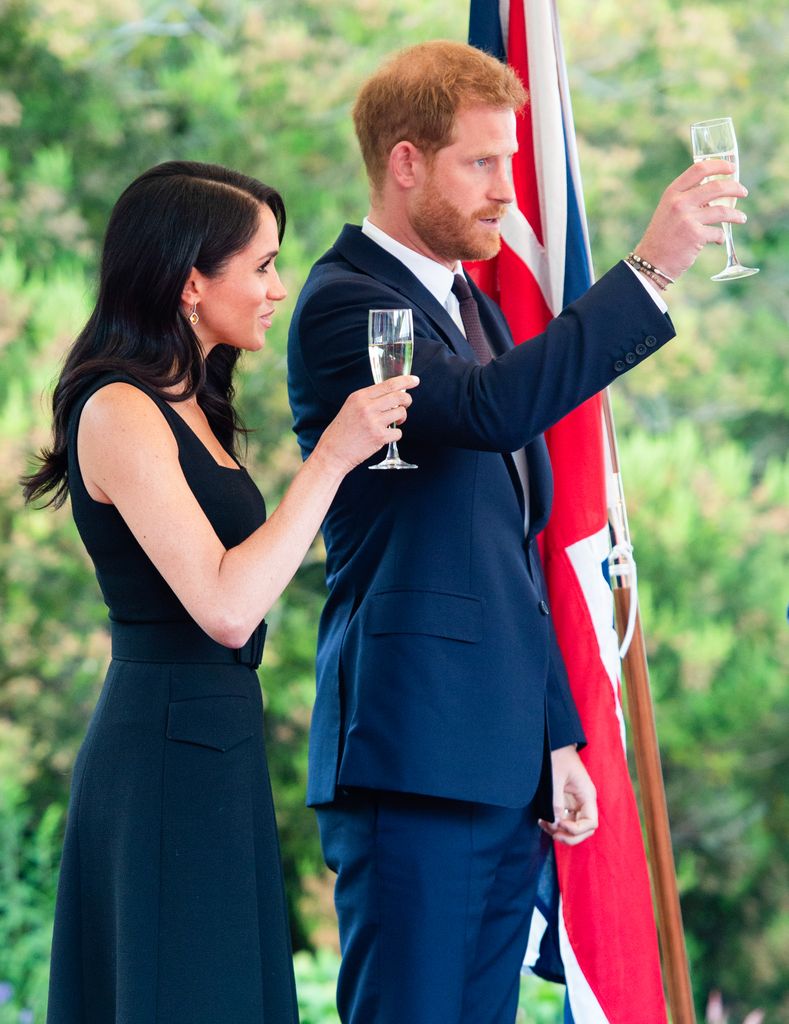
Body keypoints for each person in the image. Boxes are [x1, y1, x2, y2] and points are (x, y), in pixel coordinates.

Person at [286, 41, 748, 1024]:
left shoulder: (469, 311)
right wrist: (651, 266)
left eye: (511, 161)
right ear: (406, 161)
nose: (506, 190)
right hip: (410, 749)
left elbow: (511, 557)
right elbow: (492, 412)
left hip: (496, 758)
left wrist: (558, 736)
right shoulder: (343, 302)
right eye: (481, 164)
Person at [21, 160, 417, 1024]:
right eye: (264, 264)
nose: (279, 287)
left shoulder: (192, 400)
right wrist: (333, 456)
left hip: (213, 740)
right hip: (164, 751)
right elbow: (228, 605)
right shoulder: (119, 409)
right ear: (192, 282)